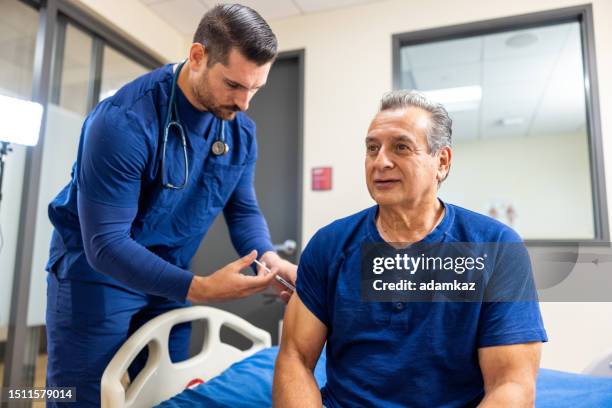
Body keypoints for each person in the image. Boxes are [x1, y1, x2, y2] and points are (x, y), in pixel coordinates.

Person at [45, 4, 296, 406]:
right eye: (233, 85)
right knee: (78, 396)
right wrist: (200, 288)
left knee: (165, 393)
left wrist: (267, 257)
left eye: (256, 89)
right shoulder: (124, 121)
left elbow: (242, 209)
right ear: (197, 57)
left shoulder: (241, 132)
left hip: (168, 275)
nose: (245, 102)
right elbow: (106, 243)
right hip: (96, 276)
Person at [273, 90, 547, 407]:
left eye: (400, 147)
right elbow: (295, 357)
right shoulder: (329, 245)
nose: (380, 161)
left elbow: (510, 384)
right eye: (372, 148)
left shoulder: (497, 247)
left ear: (441, 162)